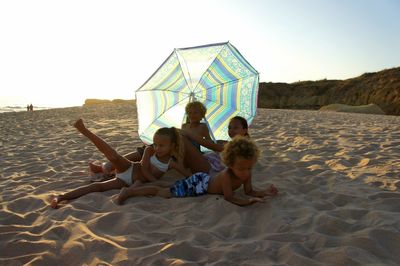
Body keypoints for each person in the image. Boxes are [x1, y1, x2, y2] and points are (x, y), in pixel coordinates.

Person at [50, 119, 191, 208]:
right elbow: (143, 168)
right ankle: (85, 130)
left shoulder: (171, 163)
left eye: (162, 146)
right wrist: (155, 181)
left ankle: (62, 197)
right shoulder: (149, 150)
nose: (158, 148)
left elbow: (187, 174)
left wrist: (195, 178)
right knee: (113, 156)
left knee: (98, 187)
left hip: (131, 182)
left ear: (172, 146)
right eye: (156, 144)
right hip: (129, 169)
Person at [116, 136, 278, 206]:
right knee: (165, 192)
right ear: (229, 164)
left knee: (166, 189)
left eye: (249, 168)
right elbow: (230, 197)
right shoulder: (227, 175)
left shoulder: (246, 172)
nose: (245, 172)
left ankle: (132, 190)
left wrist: (264, 192)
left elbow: (250, 190)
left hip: (204, 182)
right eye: (241, 168)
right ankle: (129, 192)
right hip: (199, 183)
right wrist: (248, 202)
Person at [88, 101, 212, 179]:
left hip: (187, 154)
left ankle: (111, 169)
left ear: (202, 114)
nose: (192, 115)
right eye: (189, 113)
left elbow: (208, 143)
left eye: (195, 113)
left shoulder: (203, 127)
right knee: (151, 149)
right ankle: (106, 167)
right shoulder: (184, 126)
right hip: (176, 148)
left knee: (156, 154)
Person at [182, 116, 251, 174]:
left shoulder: (241, 146)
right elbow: (212, 143)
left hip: (210, 169)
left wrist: (190, 135)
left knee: (184, 139)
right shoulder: (229, 143)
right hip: (208, 164)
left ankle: (174, 164)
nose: (231, 130)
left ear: (245, 130)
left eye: (235, 128)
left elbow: (213, 146)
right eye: (229, 128)